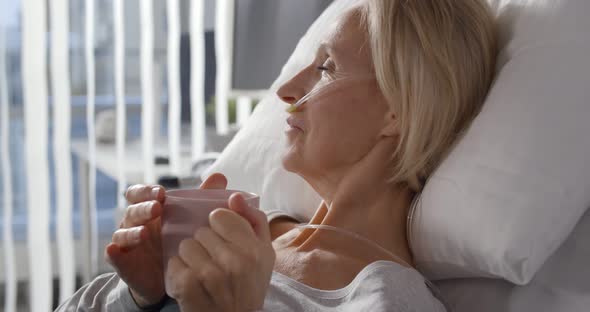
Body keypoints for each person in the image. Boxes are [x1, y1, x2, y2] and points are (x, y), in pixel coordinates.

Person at [56, 0, 496, 311]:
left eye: (326, 67)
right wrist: (139, 296)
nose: (286, 90)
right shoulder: (246, 234)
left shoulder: (388, 302)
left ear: (397, 111)